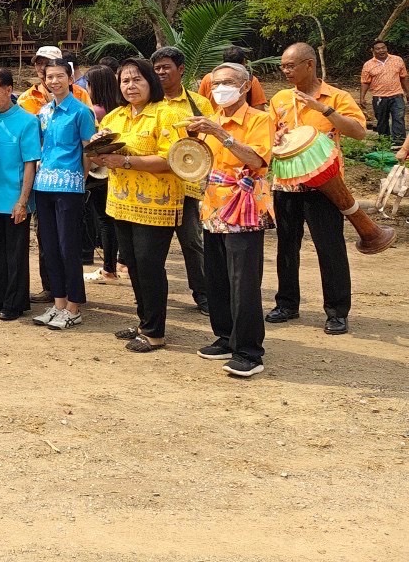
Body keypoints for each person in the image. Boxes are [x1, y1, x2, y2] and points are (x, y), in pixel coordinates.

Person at [267, 42, 367, 335]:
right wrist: (277, 137)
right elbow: (270, 137)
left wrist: (324, 109)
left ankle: (337, 312)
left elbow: (359, 132)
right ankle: (287, 304)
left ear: (309, 65)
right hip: (286, 184)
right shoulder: (281, 99)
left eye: (290, 66)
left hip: (325, 186)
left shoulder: (337, 96)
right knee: (287, 246)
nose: (285, 71)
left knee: (330, 247)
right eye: (283, 66)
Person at [185, 62, 275, 378]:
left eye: (227, 82)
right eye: (215, 83)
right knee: (217, 275)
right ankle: (225, 336)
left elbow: (257, 159)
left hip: (245, 205)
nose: (220, 88)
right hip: (212, 205)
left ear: (246, 85)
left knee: (244, 280)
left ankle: (250, 352)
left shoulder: (260, 119)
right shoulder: (210, 121)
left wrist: (221, 134)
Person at [90, 58, 184, 352]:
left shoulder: (166, 115)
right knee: (132, 264)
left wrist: (126, 161)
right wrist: (96, 149)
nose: (131, 86)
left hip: (158, 203)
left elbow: (173, 160)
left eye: (137, 79)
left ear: (150, 82)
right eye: (125, 81)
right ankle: (144, 322)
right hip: (121, 202)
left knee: (149, 265)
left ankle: (155, 332)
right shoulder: (114, 117)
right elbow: (98, 159)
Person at [30, 58, 96, 330]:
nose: (54, 81)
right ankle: (58, 304)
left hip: (69, 188)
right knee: (50, 247)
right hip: (43, 186)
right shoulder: (43, 112)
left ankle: (74, 307)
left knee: (69, 248)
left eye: (59, 76)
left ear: (70, 79)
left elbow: (88, 150)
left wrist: (80, 178)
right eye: (49, 76)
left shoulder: (81, 112)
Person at [151, 46, 213, 315]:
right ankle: (152, 297)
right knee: (152, 246)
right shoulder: (149, 103)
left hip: (187, 186)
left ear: (181, 69)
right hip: (154, 185)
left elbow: (211, 142)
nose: (161, 72)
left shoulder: (200, 105)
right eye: (157, 68)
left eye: (166, 67)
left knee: (192, 242)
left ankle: (203, 295)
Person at [0, 68, 41, 320]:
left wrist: (23, 201)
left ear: (8, 90)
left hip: (15, 197)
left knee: (15, 253)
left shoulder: (27, 121)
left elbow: (30, 163)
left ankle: (15, 302)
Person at [82, 65, 124, 285]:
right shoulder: (118, 109)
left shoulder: (95, 111)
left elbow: (89, 147)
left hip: (99, 172)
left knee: (104, 220)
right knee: (115, 220)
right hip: (116, 172)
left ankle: (108, 269)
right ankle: (119, 262)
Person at [16, 45, 92, 116]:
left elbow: (90, 122)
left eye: (48, 63)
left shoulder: (79, 93)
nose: (42, 67)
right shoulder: (26, 98)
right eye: (39, 63)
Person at [360, 39, 408, 142]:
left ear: (387, 48)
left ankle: (399, 142)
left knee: (398, 118)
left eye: (383, 48)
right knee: (382, 121)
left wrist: (408, 92)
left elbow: (403, 77)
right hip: (379, 98)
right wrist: (362, 97)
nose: (381, 50)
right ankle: (385, 143)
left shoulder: (397, 60)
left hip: (397, 95)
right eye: (378, 49)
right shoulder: (368, 65)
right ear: (372, 50)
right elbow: (365, 82)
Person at [197, 46, 269, 110]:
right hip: (243, 123)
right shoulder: (250, 80)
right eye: (217, 83)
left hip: (211, 122)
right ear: (244, 62)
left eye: (229, 82)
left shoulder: (208, 78)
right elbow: (258, 108)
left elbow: (199, 104)